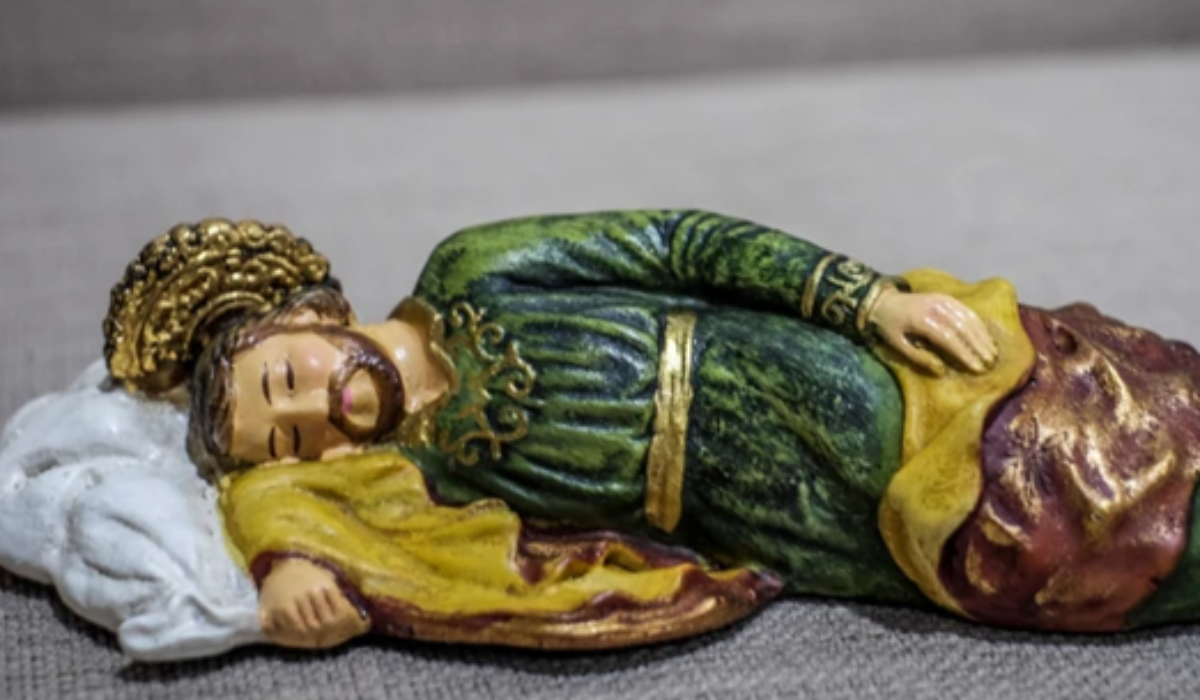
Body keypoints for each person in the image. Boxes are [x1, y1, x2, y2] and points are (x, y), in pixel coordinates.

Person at [105, 211, 1200, 650]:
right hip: (771, 516)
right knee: (1025, 563)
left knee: (1078, 444)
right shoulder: (418, 472)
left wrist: (867, 300)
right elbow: (272, 501)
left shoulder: (469, 270)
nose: (315, 414)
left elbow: (678, 243)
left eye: (286, 378)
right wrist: (284, 557)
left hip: (808, 375)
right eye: (292, 436)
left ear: (310, 317)